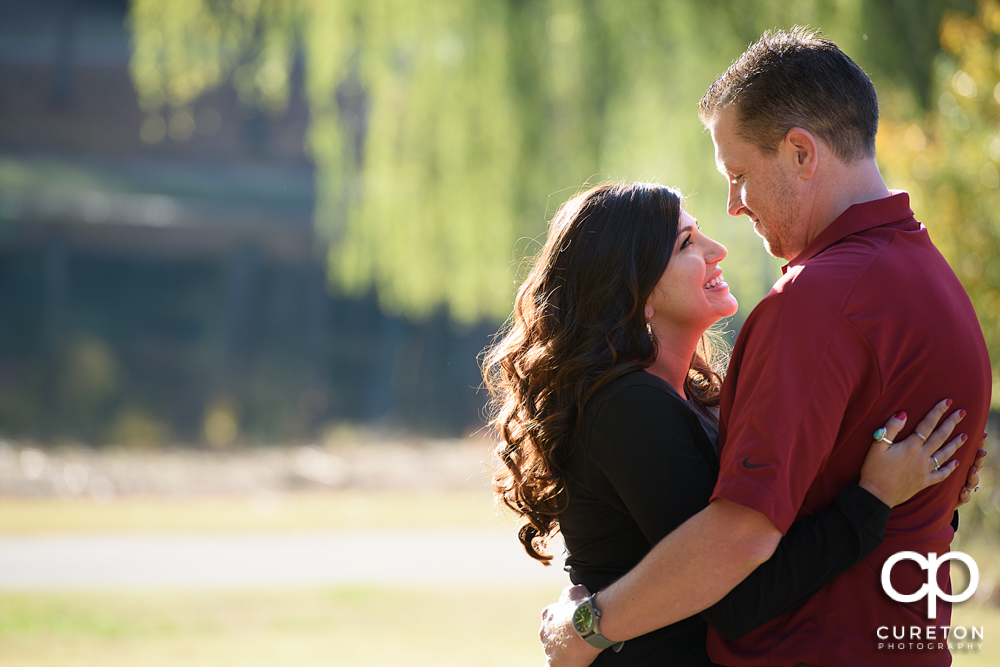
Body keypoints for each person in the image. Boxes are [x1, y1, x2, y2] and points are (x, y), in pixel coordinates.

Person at [537, 28, 992, 667]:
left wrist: (582, 628)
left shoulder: (817, 303)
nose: (733, 208)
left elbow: (737, 542)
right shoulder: (933, 282)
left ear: (801, 153)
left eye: (740, 175)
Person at [483, 181, 984, 665]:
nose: (717, 248)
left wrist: (923, 481)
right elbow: (739, 600)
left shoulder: (690, 398)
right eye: (686, 244)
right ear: (635, 292)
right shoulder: (627, 407)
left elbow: (773, 527)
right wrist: (873, 500)